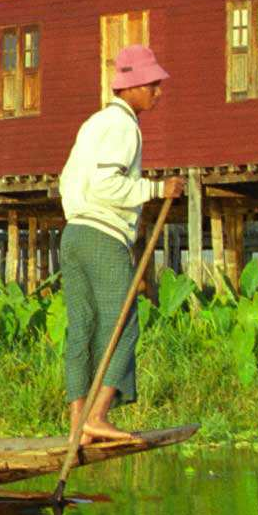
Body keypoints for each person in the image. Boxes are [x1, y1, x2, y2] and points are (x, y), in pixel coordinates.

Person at [57, 44, 183, 446]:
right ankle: (97, 415)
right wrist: (156, 189)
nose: (157, 93)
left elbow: (68, 181)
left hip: (73, 233)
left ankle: (79, 425)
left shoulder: (92, 123)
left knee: (83, 328)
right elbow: (106, 183)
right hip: (101, 235)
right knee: (124, 322)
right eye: (152, 86)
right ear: (130, 88)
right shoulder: (123, 126)